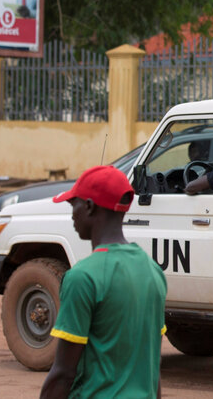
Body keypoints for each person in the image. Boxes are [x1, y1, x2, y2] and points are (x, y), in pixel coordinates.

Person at [41, 165, 167, 399]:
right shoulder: (153, 272)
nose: (71, 215)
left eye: (73, 205)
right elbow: (152, 367)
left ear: (89, 207)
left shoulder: (82, 277)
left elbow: (63, 374)